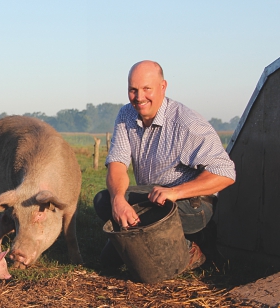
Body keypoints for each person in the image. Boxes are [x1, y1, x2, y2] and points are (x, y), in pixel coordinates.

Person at [94, 60, 236, 271]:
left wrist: (175, 192)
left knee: (133, 248)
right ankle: (148, 244)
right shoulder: (126, 116)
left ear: (163, 87)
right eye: (133, 90)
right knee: (103, 201)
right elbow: (117, 164)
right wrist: (118, 200)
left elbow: (226, 173)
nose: (139, 97)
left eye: (146, 89)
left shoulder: (185, 123)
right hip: (153, 197)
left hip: (191, 204)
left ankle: (194, 248)